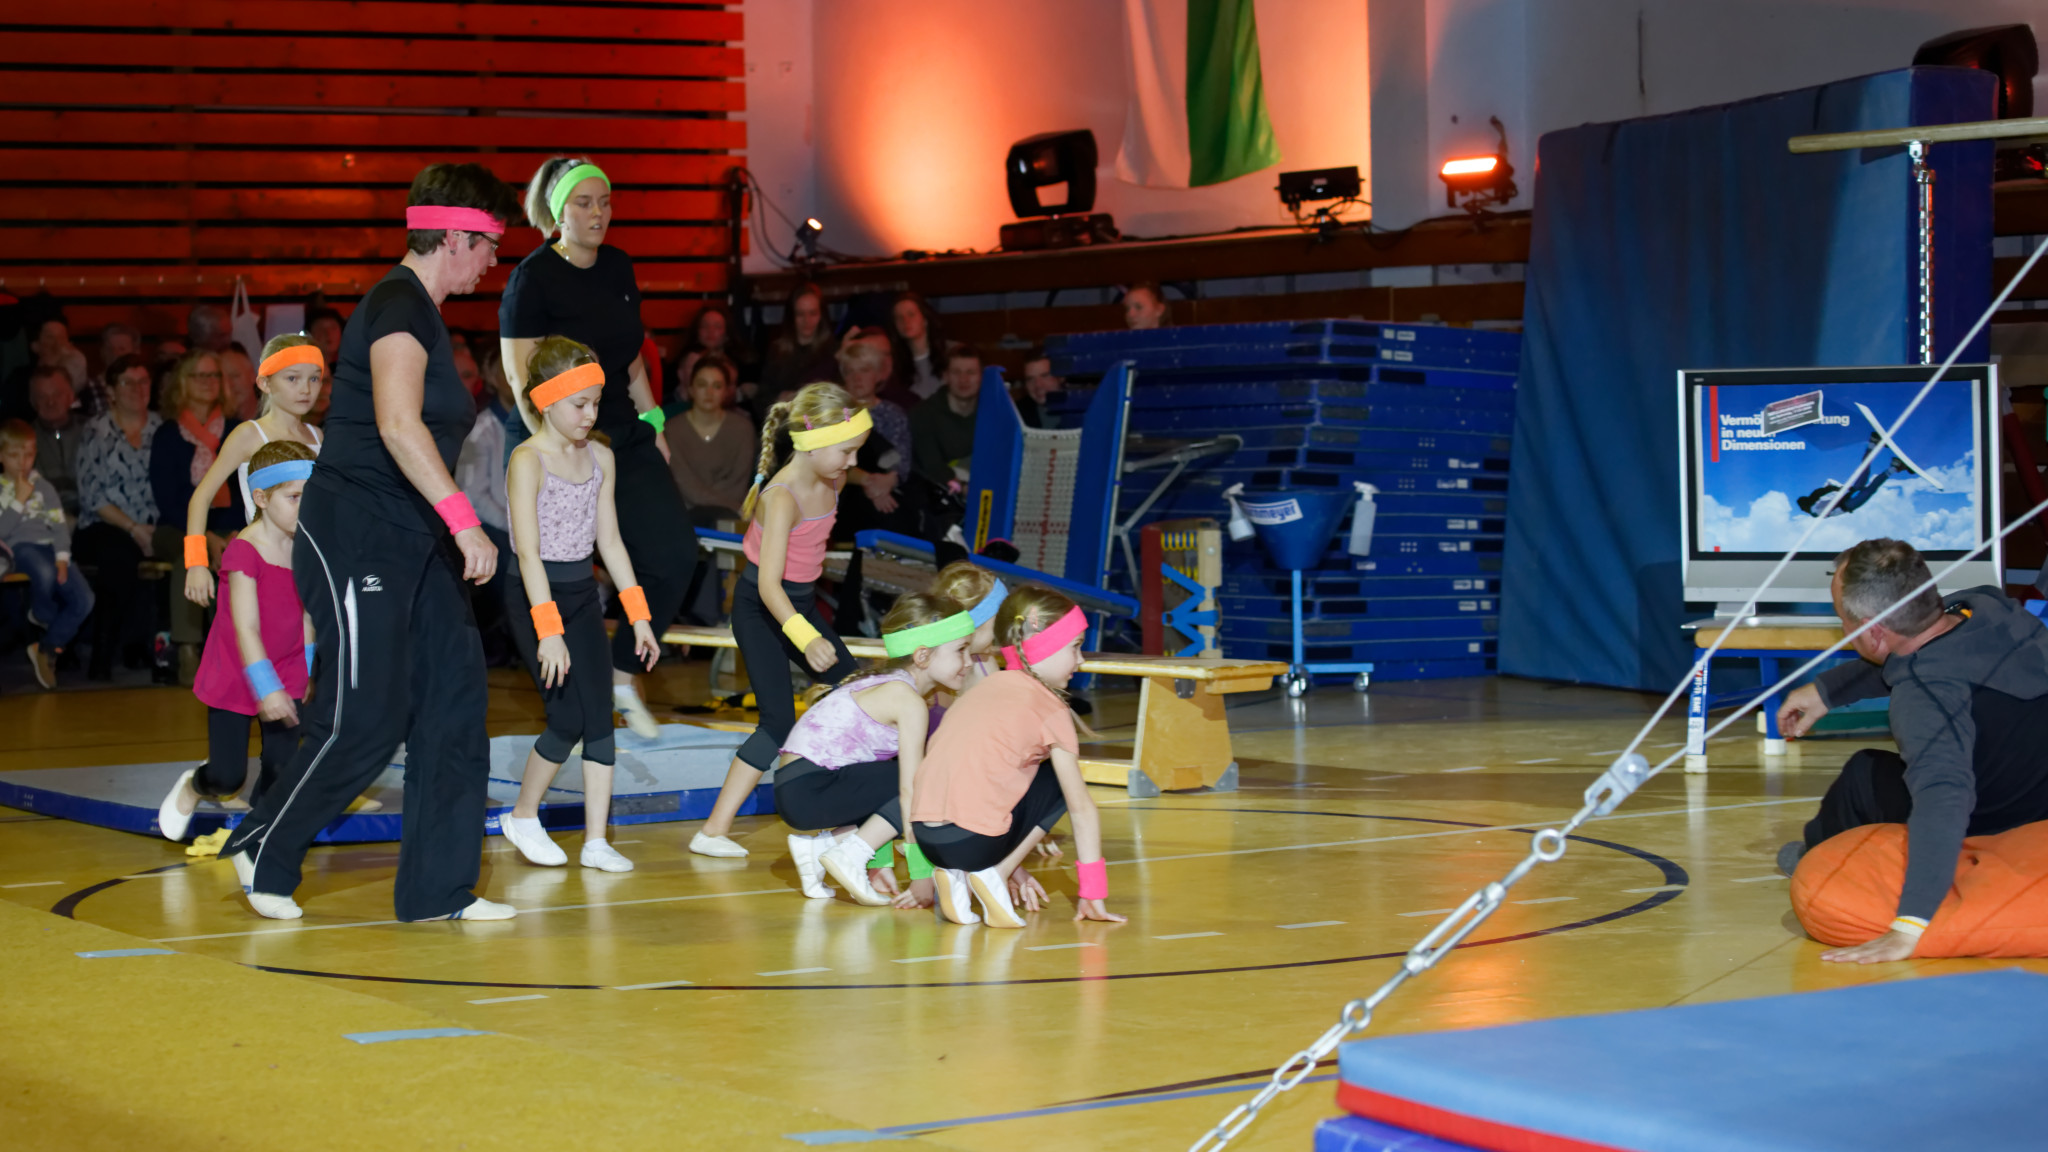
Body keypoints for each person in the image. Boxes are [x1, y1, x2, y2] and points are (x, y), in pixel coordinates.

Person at [217, 162, 525, 923]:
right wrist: (464, 519)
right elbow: (395, 423)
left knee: (455, 707)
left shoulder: (428, 315)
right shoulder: (397, 304)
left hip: (418, 543)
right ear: (455, 236)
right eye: (491, 244)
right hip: (359, 535)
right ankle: (264, 843)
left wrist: (446, 527)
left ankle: (437, 891)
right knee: (367, 718)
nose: (494, 261)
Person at [1776, 537, 2048, 964]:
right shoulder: (1988, 607)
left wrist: (1911, 925)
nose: (1843, 628)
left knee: (1863, 775)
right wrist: (1828, 692)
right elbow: (1919, 654)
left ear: (1873, 631)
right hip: (2037, 785)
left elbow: (1945, 796)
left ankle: (1815, 856)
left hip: (1997, 820)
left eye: (1843, 620)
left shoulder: (1924, 696)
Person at [501, 155, 696, 740]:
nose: (598, 213)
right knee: (552, 567)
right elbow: (519, 375)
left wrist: (656, 424)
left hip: (619, 430)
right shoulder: (532, 278)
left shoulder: (618, 265)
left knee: (675, 555)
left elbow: (629, 356)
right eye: (584, 203)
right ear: (558, 213)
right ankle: (569, 706)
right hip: (553, 435)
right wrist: (554, 446)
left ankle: (621, 673)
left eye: (605, 202)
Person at [496, 337, 661, 874]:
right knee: (566, 719)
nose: (591, 415)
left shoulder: (601, 458)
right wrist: (548, 630)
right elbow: (528, 553)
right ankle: (523, 815)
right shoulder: (527, 460)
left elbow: (609, 541)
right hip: (534, 596)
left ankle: (595, 841)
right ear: (546, 401)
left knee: (600, 717)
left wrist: (638, 615)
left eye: (596, 403)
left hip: (581, 594)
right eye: (580, 404)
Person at [689, 382, 864, 858]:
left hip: (798, 606)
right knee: (777, 721)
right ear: (813, 443)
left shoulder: (833, 476)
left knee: (854, 694)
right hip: (761, 609)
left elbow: (799, 579)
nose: (852, 462)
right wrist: (805, 637)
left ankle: (845, 818)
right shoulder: (781, 496)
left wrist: (806, 626)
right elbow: (768, 587)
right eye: (846, 451)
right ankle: (712, 832)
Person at [910, 586, 1122, 928]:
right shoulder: (1050, 709)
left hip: (928, 840)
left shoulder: (979, 690)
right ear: (1045, 647)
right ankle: (996, 872)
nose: (1081, 660)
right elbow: (1082, 810)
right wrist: (1092, 892)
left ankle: (957, 877)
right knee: (1059, 780)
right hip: (973, 842)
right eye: (1075, 647)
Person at [155, 440, 316, 843]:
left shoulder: (307, 545)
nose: (306, 506)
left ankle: (255, 838)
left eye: (310, 495)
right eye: (294, 497)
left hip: (287, 665)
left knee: (282, 770)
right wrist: (267, 687)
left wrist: (307, 671)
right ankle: (194, 785)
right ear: (261, 498)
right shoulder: (245, 551)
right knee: (228, 777)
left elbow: (308, 615)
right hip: (239, 669)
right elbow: (246, 628)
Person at [776, 592, 974, 906]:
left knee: (907, 777)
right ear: (922, 656)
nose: (969, 662)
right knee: (929, 782)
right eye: (961, 650)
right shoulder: (907, 700)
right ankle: (850, 853)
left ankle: (821, 849)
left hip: (799, 787)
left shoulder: (892, 684)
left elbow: (876, 785)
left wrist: (879, 864)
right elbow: (910, 793)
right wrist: (921, 874)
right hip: (810, 787)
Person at [181, 335, 325, 611]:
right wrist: (196, 563)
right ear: (265, 383)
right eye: (292, 378)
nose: (306, 389)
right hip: (263, 560)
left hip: (310, 561)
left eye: (314, 378)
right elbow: (202, 496)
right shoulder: (249, 434)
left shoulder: (317, 436)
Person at [72, 354, 166, 681]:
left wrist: (152, 529)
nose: (137, 389)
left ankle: (160, 655)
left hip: (153, 523)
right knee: (119, 553)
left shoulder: (162, 428)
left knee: (180, 549)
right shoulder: (96, 431)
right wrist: (134, 528)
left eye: (143, 381)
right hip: (104, 524)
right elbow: (91, 495)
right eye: (128, 382)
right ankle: (105, 653)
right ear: (111, 391)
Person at [153, 349, 239, 676]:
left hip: (231, 525)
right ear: (182, 383)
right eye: (199, 375)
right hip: (176, 527)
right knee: (192, 557)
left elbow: (246, 490)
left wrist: (234, 534)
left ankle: (229, 652)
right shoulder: (167, 434)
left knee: (238, 557)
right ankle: (188, 650)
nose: (207, 381)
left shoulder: (238, 430)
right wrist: (207, 537)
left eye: (213, 375)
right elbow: (168, 500)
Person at [0, 419, 92, 688]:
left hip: (51, 548)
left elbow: (59, 526)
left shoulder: (44, 488)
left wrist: (62, 558)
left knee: (85, 599)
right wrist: (18, 499)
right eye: (14, 455)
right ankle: (42, 612)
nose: (22, 462)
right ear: (1, 456)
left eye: (28, 455)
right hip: (20, 547)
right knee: (43, 571)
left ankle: (47, 647)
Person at [664, 353, 756, 526]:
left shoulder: (743, 429)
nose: (709, 392)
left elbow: (737, 485)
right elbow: (684, 485)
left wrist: (730, 508)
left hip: (730, 516)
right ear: (690, 389)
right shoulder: (672, 429)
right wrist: (734, 507)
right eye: (702, 384)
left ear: (727, 392)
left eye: (717, 386)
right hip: (682, 515)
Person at [910, 345, 982, 491]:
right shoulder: (923, 414)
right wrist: (963, 489)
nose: (963, 379)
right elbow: (932, 466)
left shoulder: (995, 412)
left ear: (982, 377)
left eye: (970, 372)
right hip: (940, 494)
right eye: (956, 372)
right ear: (945, 376)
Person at [757, 283, 837, 410]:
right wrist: (779, 398)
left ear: (821, 315)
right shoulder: (777, 350)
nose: (807, 320)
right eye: (800, 314)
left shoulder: (832, 350)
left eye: (813, 313)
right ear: (791, 316)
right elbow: (761, 399)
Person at [28, 365, 82, 517]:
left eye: (57, 394)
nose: (50, 402)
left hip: (92, 517)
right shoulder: (23, 440)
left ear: (71, 396)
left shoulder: (93, 432)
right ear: (32, 401)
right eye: (42, 396)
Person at [673, 301, 746, 411]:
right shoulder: (685, 359)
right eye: (705, 326)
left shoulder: (741, 363)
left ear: (727, 334)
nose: (710, 331)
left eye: (717, 327)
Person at [1015, 353, 1065, 430]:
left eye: (1045, 376)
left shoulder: (1081, 410)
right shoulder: (1017, 414)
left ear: (1061, 378)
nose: (1038, 385)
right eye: (1030, 379)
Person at [221, 344, 262, 421]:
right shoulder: (216, 426)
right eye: (222, 380)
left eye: (234, 376)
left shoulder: (278, 415)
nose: (230, 384)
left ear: (252, 375)